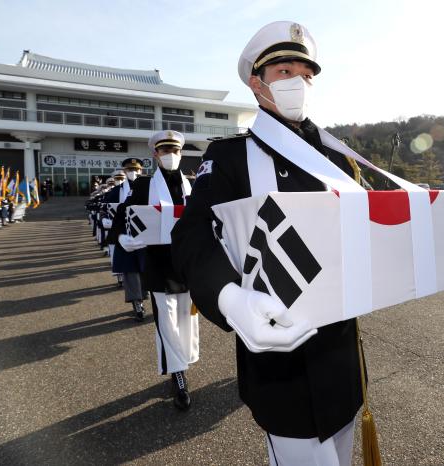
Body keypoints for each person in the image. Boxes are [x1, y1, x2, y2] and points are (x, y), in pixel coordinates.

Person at [171, 21, 365, 465]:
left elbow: (368, 225)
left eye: (306, 73)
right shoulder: (229, 158)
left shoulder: (337, 158)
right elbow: (191, 237)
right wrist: (228, 296)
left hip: (342, 354)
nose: (298, 81)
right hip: (280, 359)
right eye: (284, 71)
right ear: (257, 84)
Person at [112, 131, 198, 410]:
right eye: (164, 151)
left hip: (187, 264)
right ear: (155, 155)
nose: (170, 155)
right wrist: (123, 238)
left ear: (181, 154)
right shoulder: (145, 185)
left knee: (187, 319)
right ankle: (178, 374)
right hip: (160, 264)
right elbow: (124, 213)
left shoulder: (193, 186)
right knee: (166, 322)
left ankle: (183, 363)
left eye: (174, 150)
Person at [105, 160, 148, 320]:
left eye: (136, 169)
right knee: (131, 270)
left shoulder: (150, 186)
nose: (133, 172)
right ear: (124, 170)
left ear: (141, 170)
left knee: (145, 269)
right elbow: (107, 207)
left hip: (146, 233)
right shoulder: (117, 190)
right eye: (130, 169)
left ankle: (145, 295)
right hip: (126, 233)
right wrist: (115, 232)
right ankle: (137, 303)